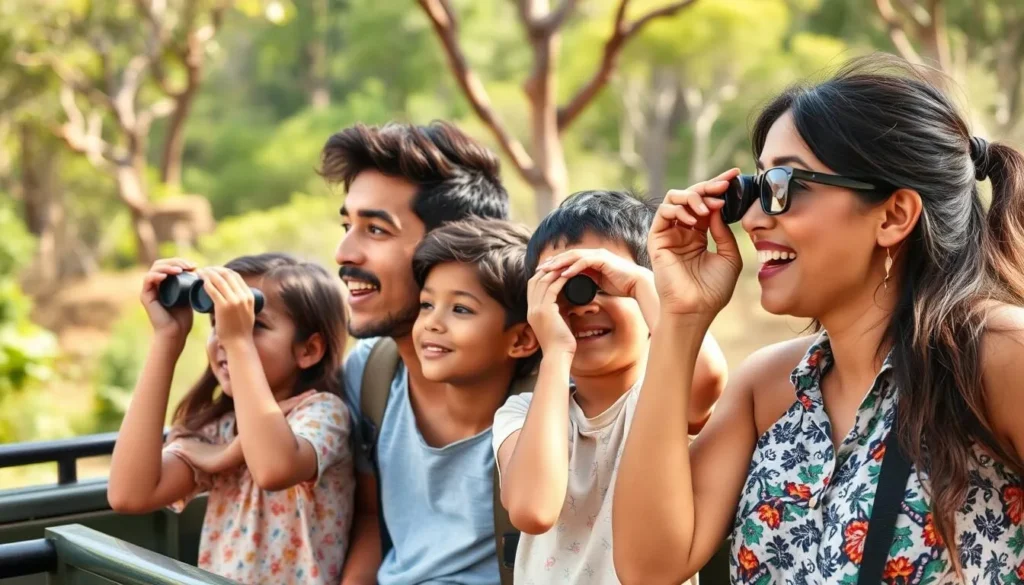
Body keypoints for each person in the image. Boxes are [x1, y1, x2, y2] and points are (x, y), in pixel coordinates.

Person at [612, 54, 1024, 585]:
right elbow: (649, 566)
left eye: (782, 185)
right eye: (756, 189)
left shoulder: (997, 358)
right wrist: (681, 317)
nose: (753, 219)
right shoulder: (768, 389)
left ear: (894, 215)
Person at [493, 190, 727, 584]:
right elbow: (533, 509)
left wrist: (641, 283)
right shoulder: (521, 414)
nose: (583, 304)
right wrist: (556, 351)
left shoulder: (663, 399)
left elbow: (708, 377)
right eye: (562, 288)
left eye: (605, 284)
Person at [321, 121, 515, 585]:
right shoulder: (369, 373)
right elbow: (372, 517)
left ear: (449, 249)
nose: (344, 252)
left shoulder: (552, 384)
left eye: (375, 230)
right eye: (347, 226)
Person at [107, 253, 354, 585]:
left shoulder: (322, 413)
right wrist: (168, 338)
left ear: (308, 350)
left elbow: (273, 469)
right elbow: (128, 494)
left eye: (253, 325)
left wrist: (239, 342)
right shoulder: (222, 427)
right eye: (217, 323)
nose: (224, 337)